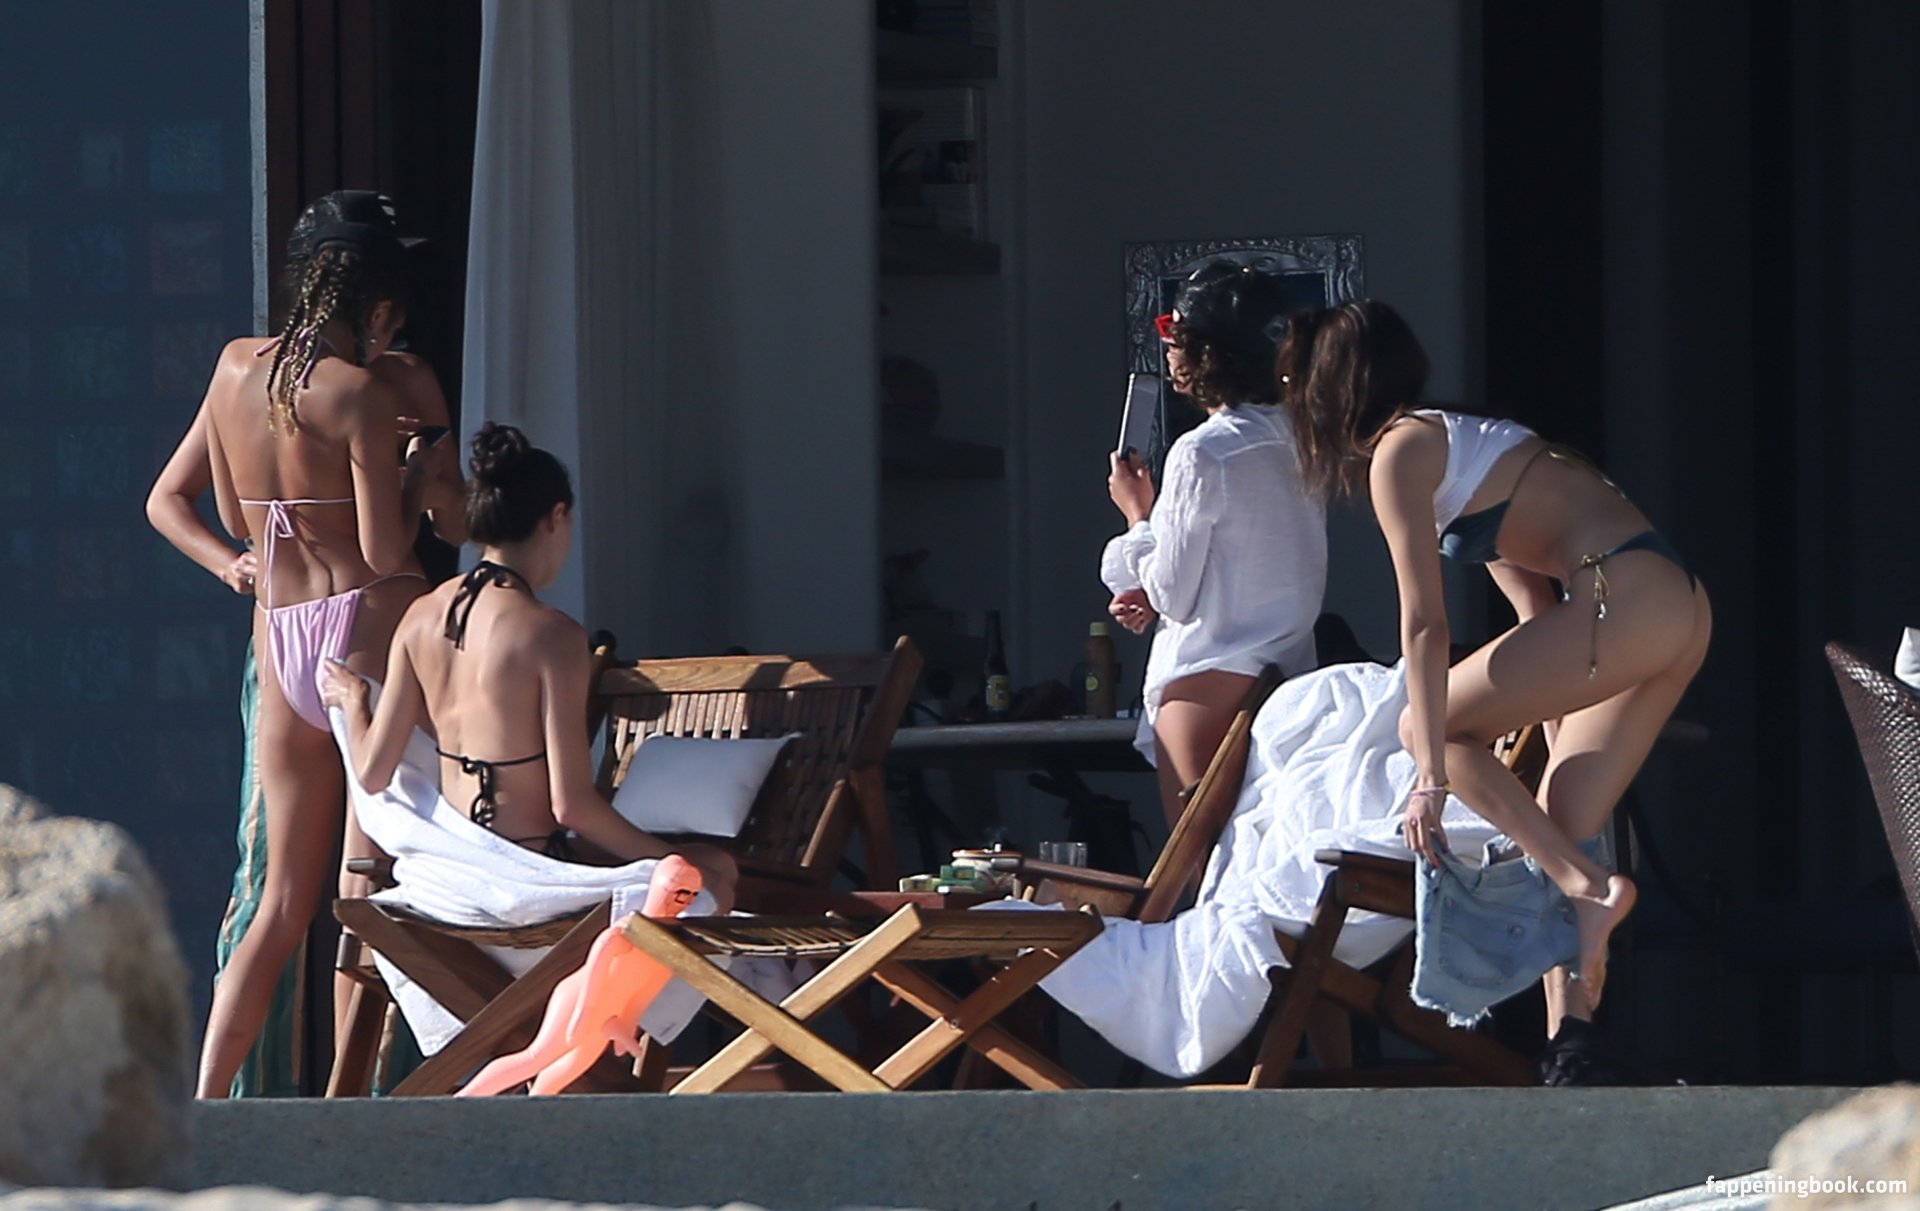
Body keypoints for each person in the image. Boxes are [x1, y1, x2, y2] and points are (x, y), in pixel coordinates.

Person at [1276, 299, 1711, 1009]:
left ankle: (1585, 885)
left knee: (1427, 727)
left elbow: (1424, 624)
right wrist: (1549, 741)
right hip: (1673, 606)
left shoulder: (1400, 451)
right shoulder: (1471, 442)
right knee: (1561, 827)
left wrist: (1430, 778)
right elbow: (1534, 614)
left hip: (1621, 600)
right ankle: (1572, 1039)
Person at [147, 191, 463, 1097]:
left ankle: (209, 1101)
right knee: (363, 890)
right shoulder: (366, 393)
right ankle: (344, 1104)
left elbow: (191, 505)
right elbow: (386, 551)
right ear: (379, 303)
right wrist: (414, 474)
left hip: (279, 636)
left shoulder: (233, 369)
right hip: (366, 639)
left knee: (280, 899)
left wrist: (232, 565)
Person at [320, 423, 739, 907]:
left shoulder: (419, 618)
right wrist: (671, 860)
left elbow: (372, 774)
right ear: (556, 517)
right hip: (528, 877)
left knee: (704, 869)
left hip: (452, 872)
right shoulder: (552, 635)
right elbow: (571, 806)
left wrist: (355, 702)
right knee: (715, 876)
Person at [1102, 262, 1328, 825]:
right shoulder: (1303, 441)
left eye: (1171, 332)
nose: (1167, 347)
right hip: (1288, 676)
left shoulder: (1202, 451)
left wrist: (1137, 516)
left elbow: (1172, 594)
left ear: (1203, 352)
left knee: (1200, 865)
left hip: (1207, 684)